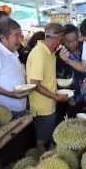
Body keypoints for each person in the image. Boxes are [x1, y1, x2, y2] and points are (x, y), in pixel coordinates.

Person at [26, 23, 69, 151]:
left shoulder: (50, 52)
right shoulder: (39, 54)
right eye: (62, 39)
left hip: (50, 104)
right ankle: (41, 161)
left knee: (49, 135)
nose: (63, 42)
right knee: (42, 140)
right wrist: (56, 97)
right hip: (42, 107)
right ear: (58, 38)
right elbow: (35, 84)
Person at [0, 18, 30, 118]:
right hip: (6, 112)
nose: (20, 40)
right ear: (3, 38)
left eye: (20, 35)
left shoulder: (13, 52)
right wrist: (11, 94)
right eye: (16, 36)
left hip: (21, 107)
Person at [61, 24, 86, 115]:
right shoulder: (61, 55)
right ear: (62, 41)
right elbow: (61, 80)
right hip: (73, 98)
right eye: (69, 41)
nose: (73, 43)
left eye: (75, 40)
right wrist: (70, 97)